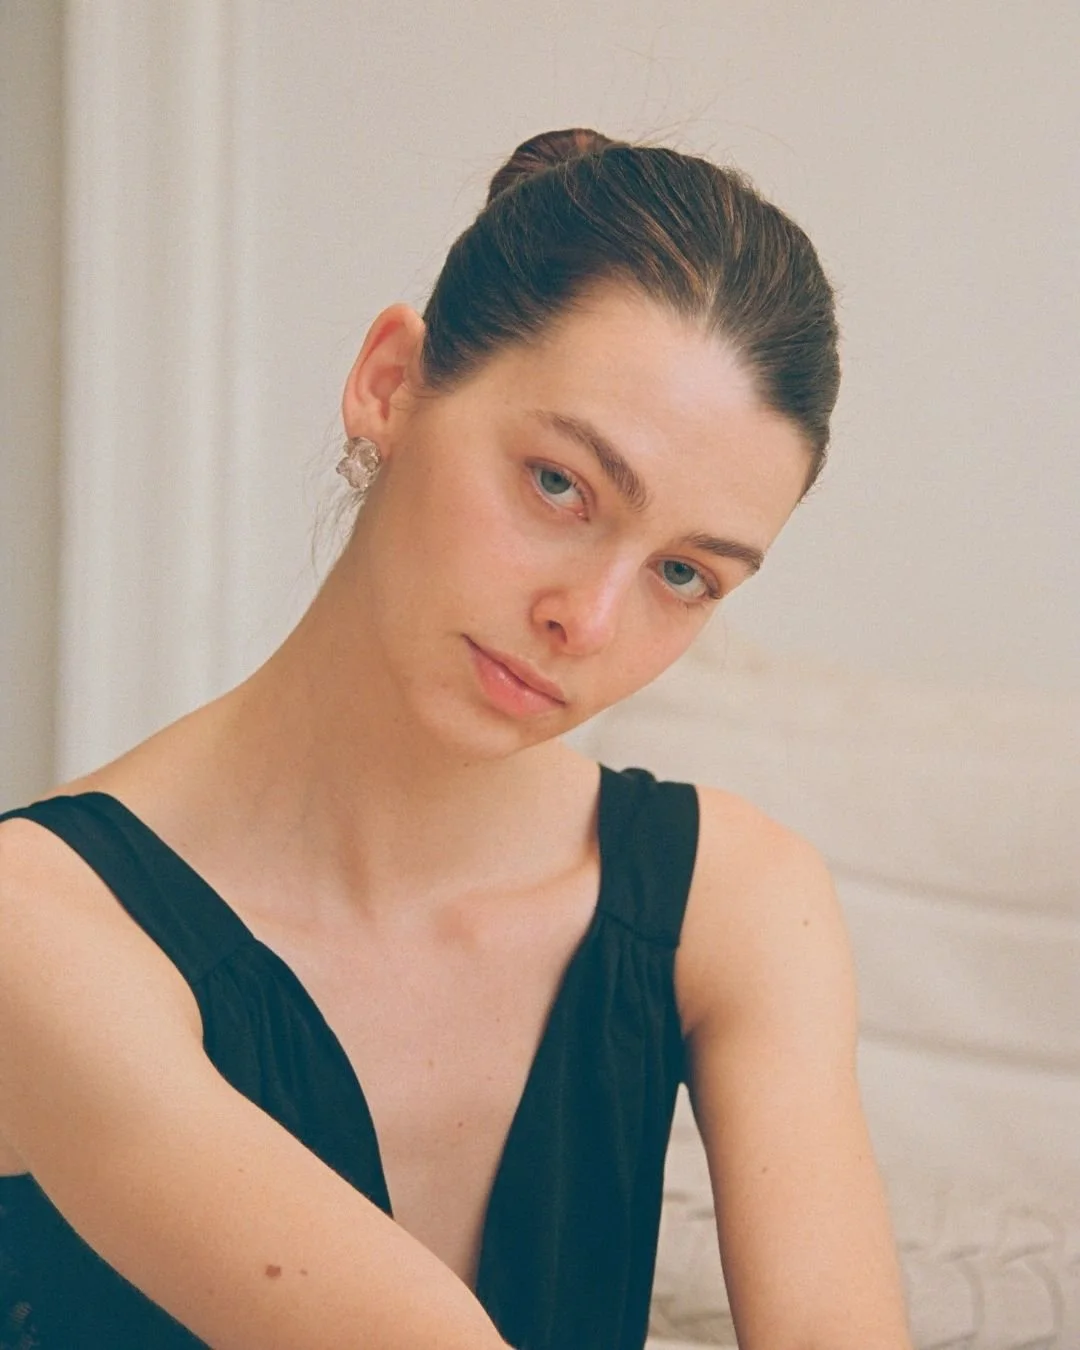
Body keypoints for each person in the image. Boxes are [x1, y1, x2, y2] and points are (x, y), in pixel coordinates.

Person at [0, 129, 913, 1350]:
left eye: (685, 574)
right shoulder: (38, 925)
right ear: (390, 382)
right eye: (558, 486)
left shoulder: (735, 901)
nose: (584, 621)